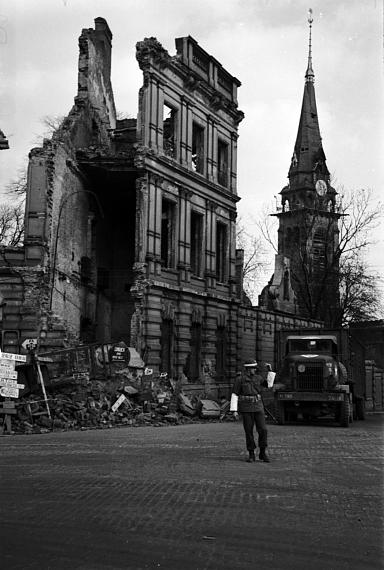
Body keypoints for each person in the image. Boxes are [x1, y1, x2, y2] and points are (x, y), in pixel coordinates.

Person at [230, 359, 270, 463]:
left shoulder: (258, 378)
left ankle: (262, 452)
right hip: (246, 408)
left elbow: (269, 384)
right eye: (253, 368)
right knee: (249, 431)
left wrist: (270, 371)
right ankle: (251, 454)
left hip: (258, 406)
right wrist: (234, 410)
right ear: (248, 369)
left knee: (263, 430)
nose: (255, 370)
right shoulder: (240, 379)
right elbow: (235, 394)